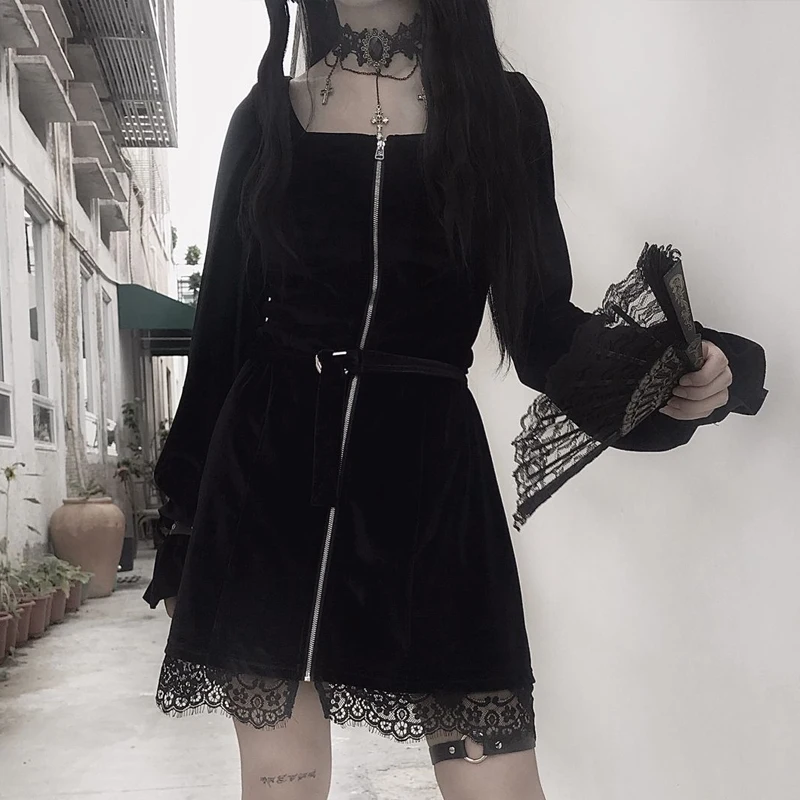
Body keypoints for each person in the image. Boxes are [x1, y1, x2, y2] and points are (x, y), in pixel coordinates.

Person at [143, 2, 767, 799]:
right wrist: (184, 527)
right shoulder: (267, 117)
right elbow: (221, 336)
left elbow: (539, 324)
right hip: (268, 487)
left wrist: (668, 372)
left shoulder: (500, 113)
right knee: (281, 786)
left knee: (498, 784)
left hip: (430, 485)